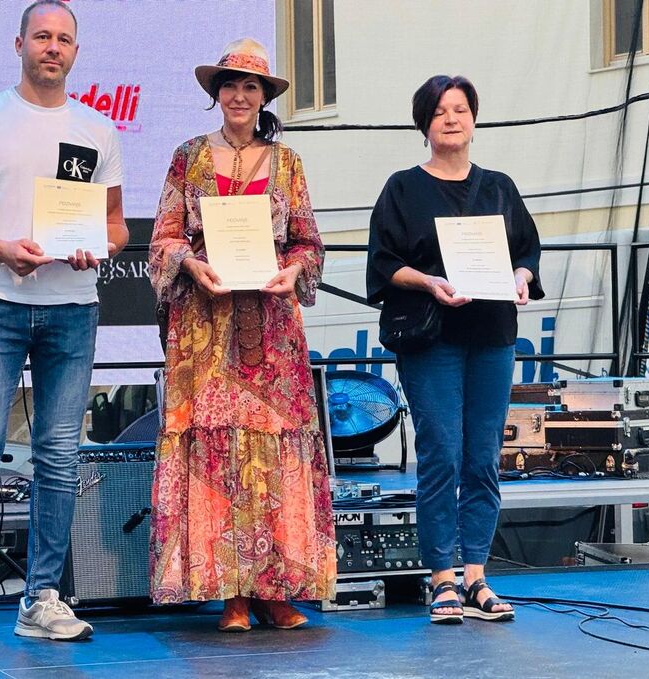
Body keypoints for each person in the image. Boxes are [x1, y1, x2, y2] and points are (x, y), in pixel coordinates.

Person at [0, 0, 127, 644]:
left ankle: (42, 598)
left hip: (73, 307)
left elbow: (116, 225)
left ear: (76, 52)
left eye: (64, 38)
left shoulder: (98, 130)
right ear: (19, 45)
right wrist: (2, 249)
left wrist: (101, 246)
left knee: (60, 457)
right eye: (42, 36)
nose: (52, 47)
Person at [148, 38, 336, 632]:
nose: (238, 95)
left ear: (264, 97)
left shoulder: (288, 163)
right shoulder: (188, 157)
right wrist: (190, 262)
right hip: (206, 327)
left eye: (250, 86)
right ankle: (229, 591)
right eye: (229, 84)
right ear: (216, 93)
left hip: (271, 327)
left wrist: (295, 271)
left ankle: (274, 590)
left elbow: (308, 242)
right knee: (216, 452)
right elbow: (163, 237)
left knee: (275, 454)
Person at [366, 75, 544, 624]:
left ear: (474, 119)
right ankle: (441, 578)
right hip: (432, 339)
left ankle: (476, 577)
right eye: (440, 110)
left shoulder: (500, 187)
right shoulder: (402, 188)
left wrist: (521, 276)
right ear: (424, 123)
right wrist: (429, 282)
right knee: (441, 454)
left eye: (461, 109)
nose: (451, 119)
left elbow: (527, 251)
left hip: (492, 335)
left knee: (484, 457)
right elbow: (383, 264)